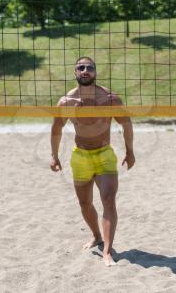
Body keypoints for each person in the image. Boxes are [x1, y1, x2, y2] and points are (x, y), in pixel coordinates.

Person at [50, 56, 135, 266]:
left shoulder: (110, 99)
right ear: (75, 73)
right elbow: (56, 129)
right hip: (80, 156)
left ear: (96, 72)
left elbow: (127, 124)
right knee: (85, 203)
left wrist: (130, 151)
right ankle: (96, 235)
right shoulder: (67, 102)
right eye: (81, 67)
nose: (85, 70)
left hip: (104, 154)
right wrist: (54, 156)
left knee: (108, 200)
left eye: (89, 68)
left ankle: (107, 251)